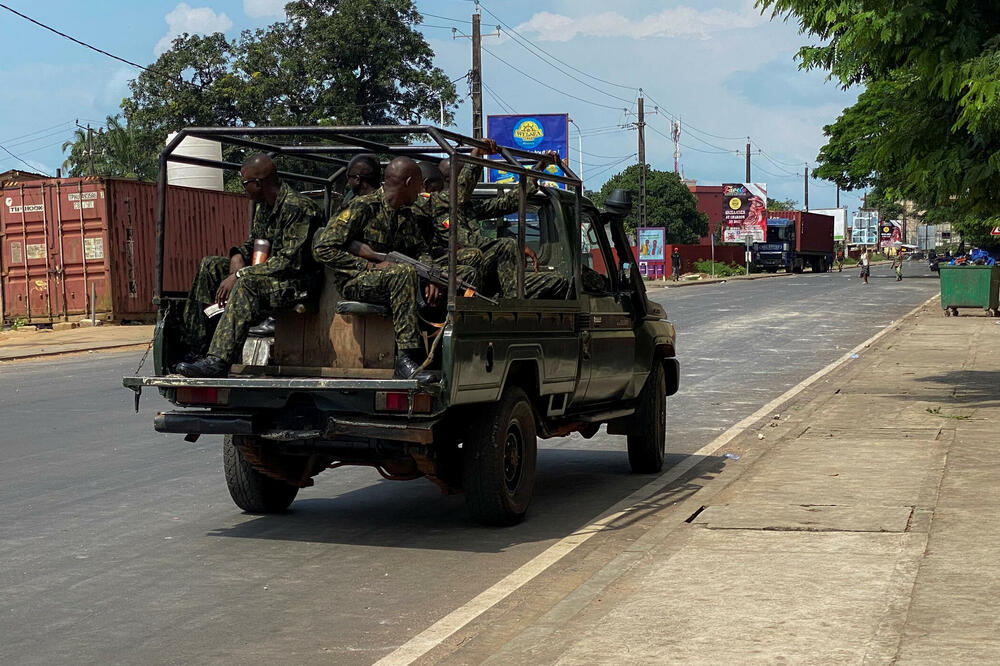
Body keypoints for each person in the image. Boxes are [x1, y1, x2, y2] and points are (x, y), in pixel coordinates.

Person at [312, 157, 473, 380]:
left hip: (391, 278)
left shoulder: (404, 214)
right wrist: (367, 264)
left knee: (452, 275)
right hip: (355, 280)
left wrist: (433, 275)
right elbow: (322, 248)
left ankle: (440, 354)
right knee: (402, 273)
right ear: (408, 182)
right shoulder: (363, 207)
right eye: (418, 185)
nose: (421, 192)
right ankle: (406, 358)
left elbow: (420, 250)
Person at [175, 153, 322, 377]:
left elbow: (290, 261)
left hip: (298, 284)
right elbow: (254, 243)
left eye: (245, 183)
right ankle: (197, 349)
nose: (243, 188)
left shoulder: (298, 208)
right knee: (210, 265)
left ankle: (218, 361)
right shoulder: (264, 207)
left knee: (247, 284)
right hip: (269, 276)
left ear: (259, 183)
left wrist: (241, 274)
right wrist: (237, 255)